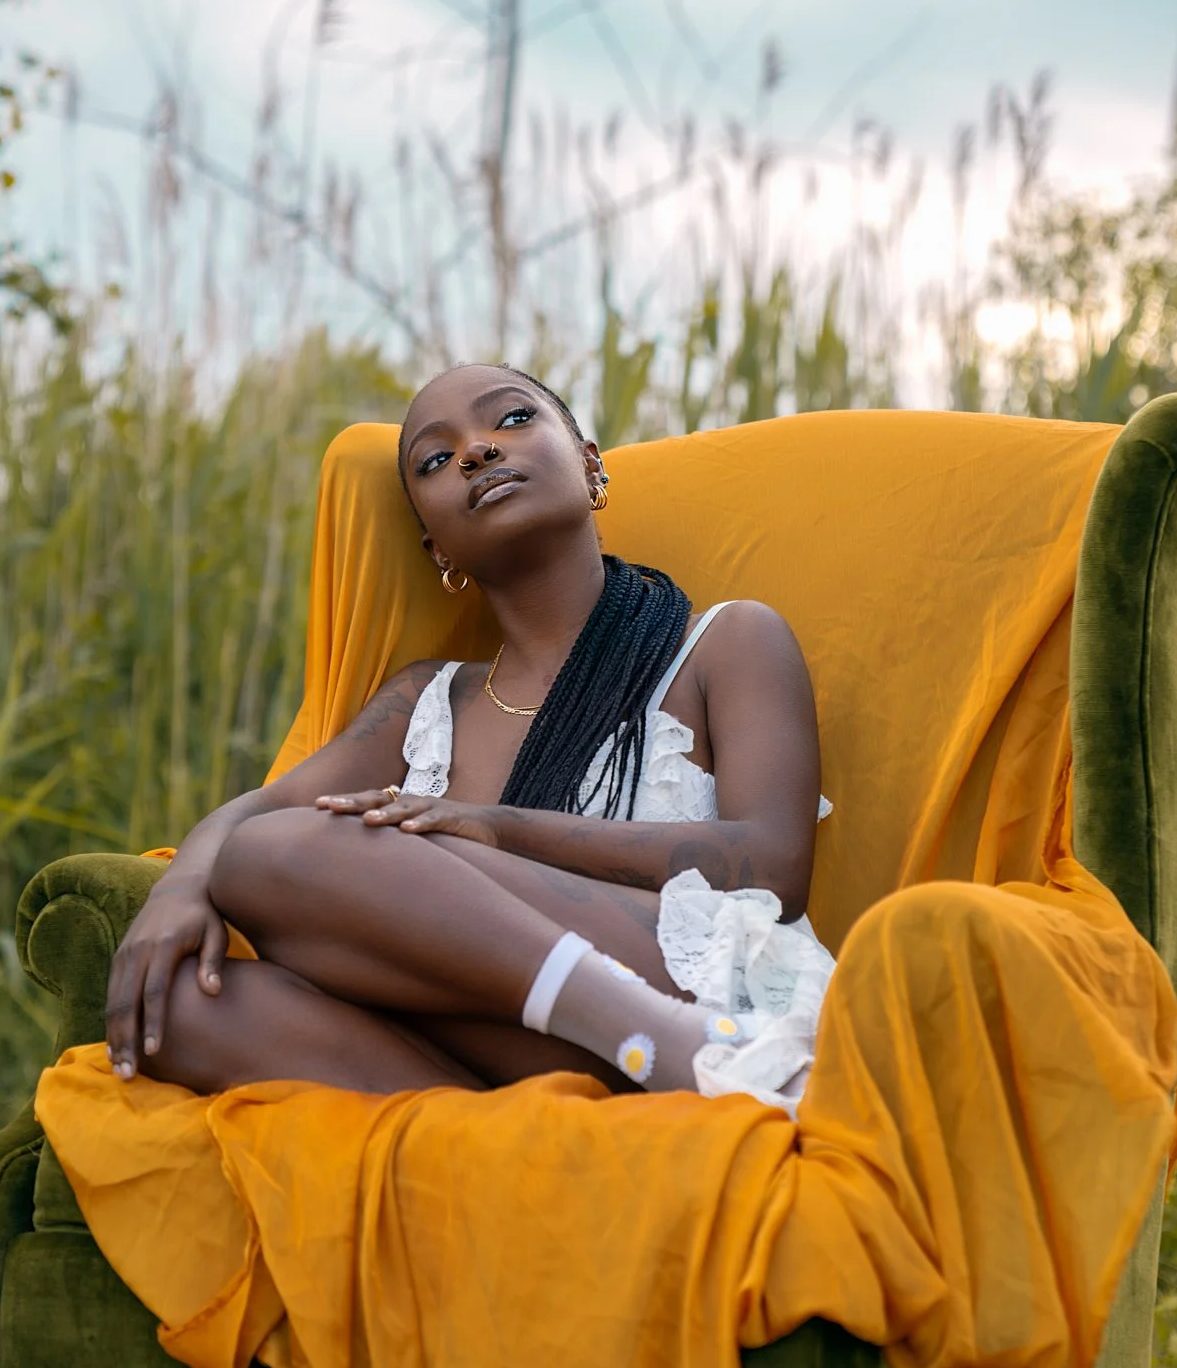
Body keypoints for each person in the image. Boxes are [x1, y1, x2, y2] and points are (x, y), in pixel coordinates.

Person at [104, 363, 833, 1105]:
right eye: (435, 459)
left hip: (707, 992)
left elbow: (771, 864)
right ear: (436, 549)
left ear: (589, 465)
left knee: (272, 854)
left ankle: (675, 1043)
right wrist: (178, 889)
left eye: (512, 420)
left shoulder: (723, 641)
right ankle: (540, 1151)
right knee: (181, 1009)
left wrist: (492, 829)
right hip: (511, 1052)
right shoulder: (425, 700)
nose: (476, 452)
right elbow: (252, 815)